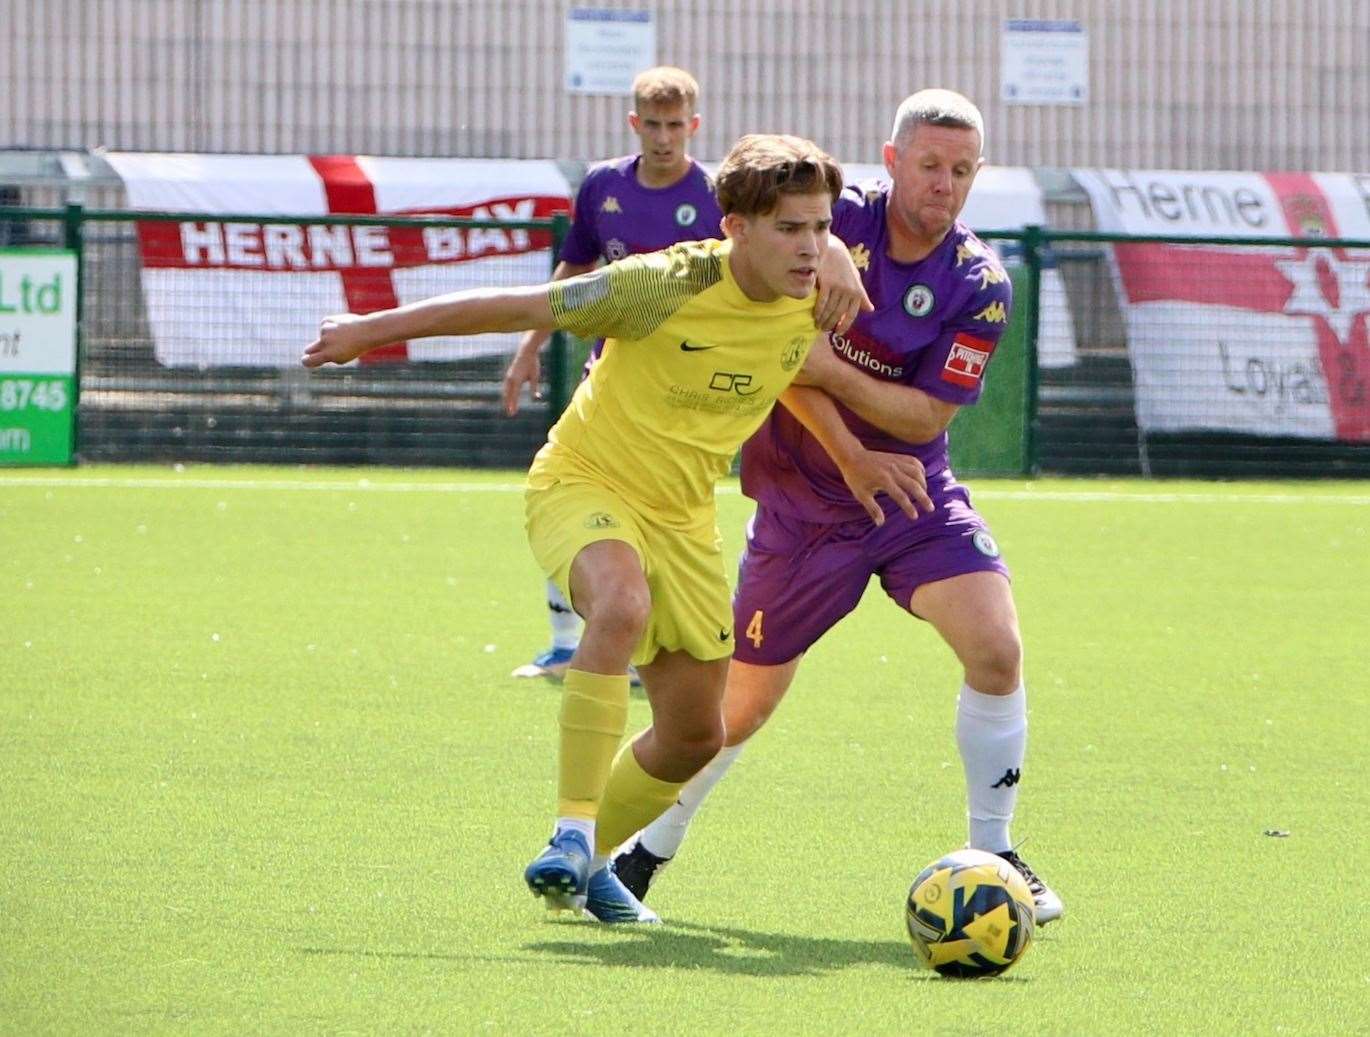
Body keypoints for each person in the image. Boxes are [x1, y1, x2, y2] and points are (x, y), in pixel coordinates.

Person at [303, 133, 930, 923]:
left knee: (696, 734)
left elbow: (791, 368)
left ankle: (594, 856)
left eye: (819, 227)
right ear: (734, 229)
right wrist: (369, 328)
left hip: (682, 515)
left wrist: (851, 448)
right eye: (790, 229)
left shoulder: (819, 289)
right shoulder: (661, 284)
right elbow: (523, 305)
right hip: (584, 482)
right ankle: (568, 832)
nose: (809, 246)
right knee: (620, 605)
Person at [613, 89, 1065, 924]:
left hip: (911, 495)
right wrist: (842, 433)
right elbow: (775, 355)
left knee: (997, 648)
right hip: (801, 505)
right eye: (929, 165)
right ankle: (640, 853)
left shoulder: (978, 282)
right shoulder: (821, 223)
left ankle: (997, 852)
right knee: (735, 711)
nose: (944, 184)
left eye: (962, 171)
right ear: (891, 162)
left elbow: (923, 416)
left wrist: (824, 366)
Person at [502, 65, 723, 684]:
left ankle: (642, 651)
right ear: (634, 123)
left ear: (694, 126)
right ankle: (561, 643)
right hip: (611, 376)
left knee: (658, 511)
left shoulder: (713, 195)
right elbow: (572, 271)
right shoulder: (602, 185)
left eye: (674, 125)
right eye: (651, 124)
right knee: (567, 487)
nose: (663, 136)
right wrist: (529, 349)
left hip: (683, 386)